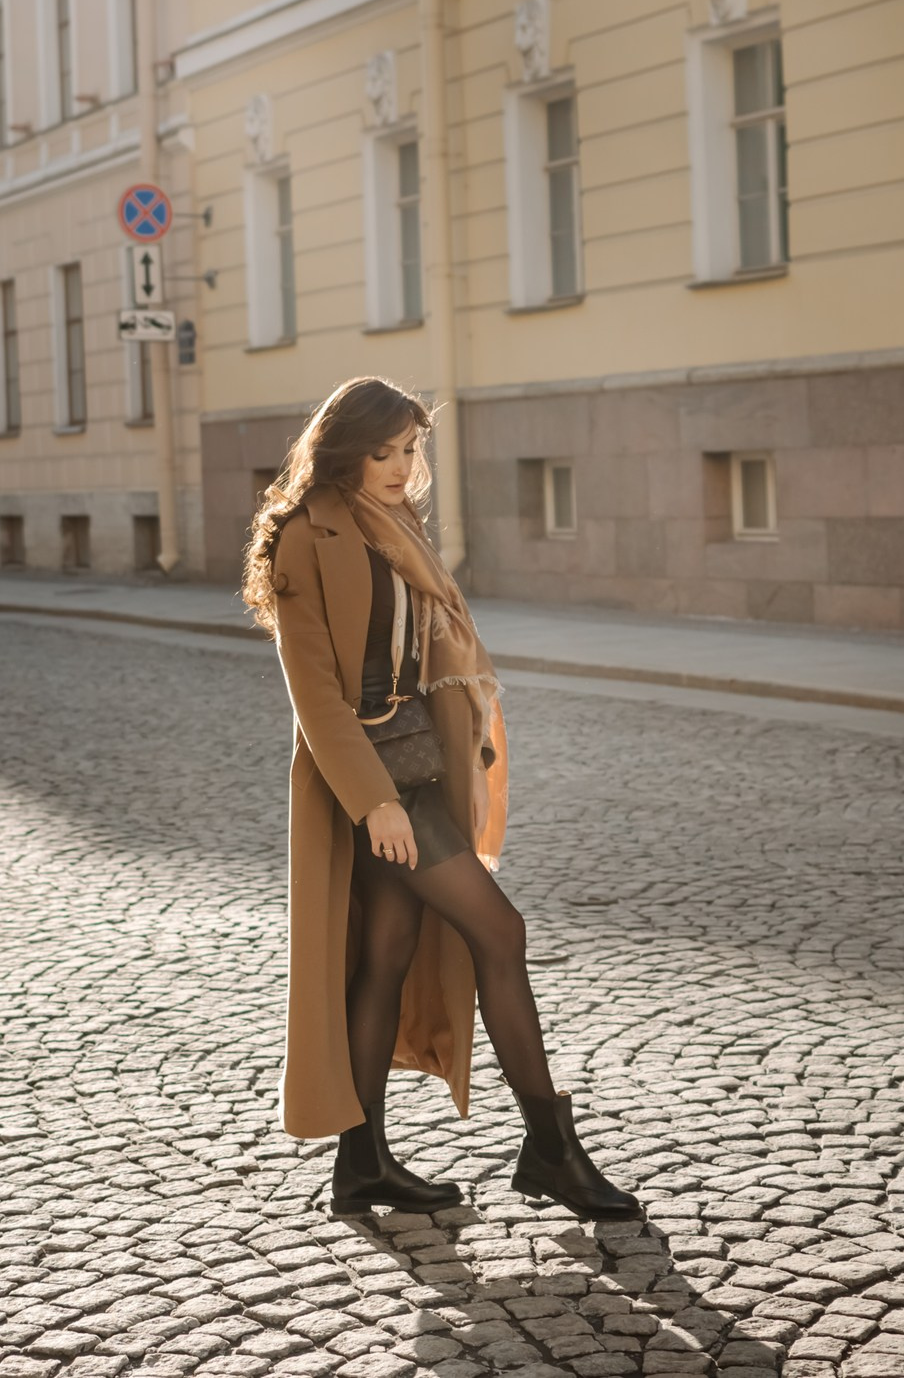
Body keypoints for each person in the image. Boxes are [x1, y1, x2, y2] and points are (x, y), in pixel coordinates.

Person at [243, 375, 640, 1221]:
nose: (399, 466)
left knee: (387, 952)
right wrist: (373, 802)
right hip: (375, 779)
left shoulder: (397, 524)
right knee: (500, 930)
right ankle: (553, 1150)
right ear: (342, 448)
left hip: (420, 760)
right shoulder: (302, 536)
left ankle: (363, 1167)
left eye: (410, 449)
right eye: (382, 451)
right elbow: (312, 690)